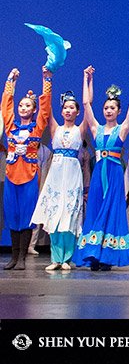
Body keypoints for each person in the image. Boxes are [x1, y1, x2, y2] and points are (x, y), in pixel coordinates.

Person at [74, 66, 129, 270]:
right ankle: (93, 253)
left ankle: (107, 256)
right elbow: (86, 103)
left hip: (113, 174)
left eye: (113, 108)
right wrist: (87, 78)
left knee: (111, 211)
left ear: (118, 111)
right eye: (106, 108)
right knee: (94, 210)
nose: (109, 110)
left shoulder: (123, 129)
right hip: (98, 176)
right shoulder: (96, 128)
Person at [2, 66, 52, 270]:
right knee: (12, 215)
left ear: (33, 110)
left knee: (26, 215)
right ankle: (13, 257)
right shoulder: (11, 128)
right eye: (21, 105)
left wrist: (46, 79)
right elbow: (6, 107)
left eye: (27, 106)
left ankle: (23, 256)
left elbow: (46, 109)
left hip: (29, 177)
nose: (22, 108)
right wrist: (10, 81)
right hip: (11, 176)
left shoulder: (37, 127)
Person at [31, 91, 86, 270]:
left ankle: (67, 259)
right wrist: (47, 80)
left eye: (72, 108)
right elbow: (46, 108)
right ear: (62, 111)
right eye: (65, 108)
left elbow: (88, 104)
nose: (68, 110)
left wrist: (88, 79)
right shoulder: (56, 128)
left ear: (77, 112)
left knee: (69, 214)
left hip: (72, 174)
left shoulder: (80, 130)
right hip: (56, 173)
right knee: (54, 213)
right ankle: (56, 258)